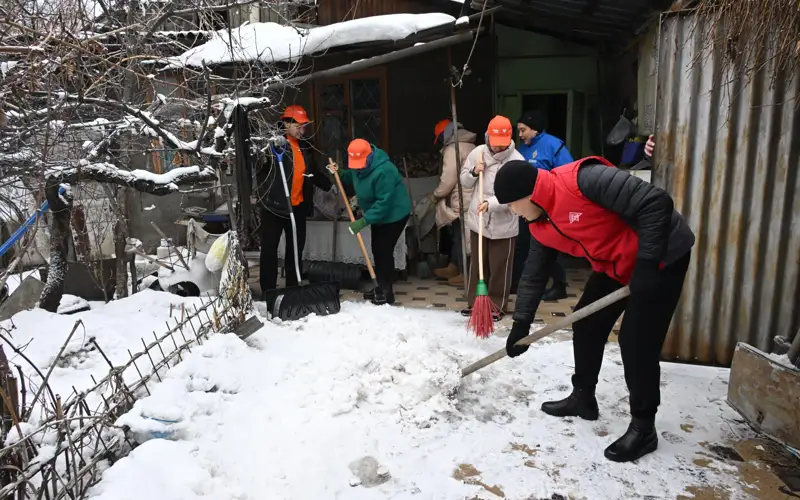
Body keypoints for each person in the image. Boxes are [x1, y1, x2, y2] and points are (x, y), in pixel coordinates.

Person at [493, 156, 695, 463]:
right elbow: (534, 273)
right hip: (615, 262)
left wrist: (647, 264)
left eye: (512, 204)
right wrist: (521, 324)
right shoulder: (539, 223)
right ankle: (583, 398)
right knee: (587, 324)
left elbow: (656, 202)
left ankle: (643, 427)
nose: (513, 211)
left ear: (528, 195)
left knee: (636, 340)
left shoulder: (583, 181)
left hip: (662, 257)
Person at [256, 104, 334, 296]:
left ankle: (293, 290)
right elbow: (258, 168)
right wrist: (266, 151)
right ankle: (269, 291)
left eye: (304, 126)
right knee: (269, 249)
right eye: (298, 126)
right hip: (274, 207)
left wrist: (330, 185)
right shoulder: (272, 145)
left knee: (295, 250)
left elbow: (312, 172)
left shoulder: (305, 146)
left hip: (297, 207)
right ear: (286, 124)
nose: (302, 130)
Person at [328, 139, 411, 305]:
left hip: (394, 214)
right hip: (377, 214)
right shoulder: (360, 167)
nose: (358, 167)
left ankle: (386, 292)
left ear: (369, 156)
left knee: (384, 249)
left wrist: (363, 221)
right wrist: (339, 173)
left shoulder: (384, 171)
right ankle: (380, 286)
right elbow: (352, 176)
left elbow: (384, 203)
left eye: (360, 164)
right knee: (377, 249)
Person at [459, 115, 523, 321]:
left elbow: (517, 194)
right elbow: (464, 181)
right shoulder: (477, 153)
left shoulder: (517, 161)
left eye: (502, 144)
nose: (497, 148)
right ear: (488, 137)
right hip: (478, 220)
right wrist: (473, 172)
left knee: (499, 266)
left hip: (504, 223)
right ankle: (475, 303)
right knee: (478, 264)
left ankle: (496, 306)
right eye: (494, 143)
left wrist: (492, 204)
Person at [512, 110, 574, 300]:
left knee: (550, 244)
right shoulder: (522, 149)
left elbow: (568, 173)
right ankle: (516, 283)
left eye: (523, 130)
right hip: (526, 204)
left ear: (535, 129)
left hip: (548, 205)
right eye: (519, 130)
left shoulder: (554, 145)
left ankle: (559, 286)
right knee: (522, 243)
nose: (520, 135)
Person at [431, 119, 477, 288]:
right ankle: (455, 266)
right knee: (461, 234)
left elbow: (448, 178)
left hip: (462, 198)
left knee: (462, 236)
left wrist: (437, 194)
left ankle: (465, 273)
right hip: (470, 196)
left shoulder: (453, 148)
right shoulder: (470, 145)